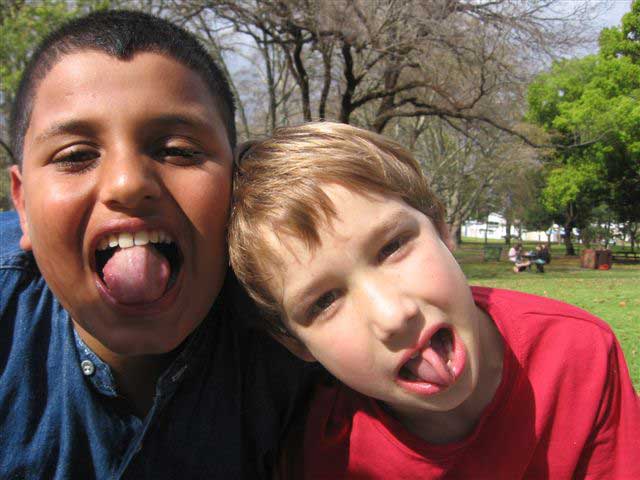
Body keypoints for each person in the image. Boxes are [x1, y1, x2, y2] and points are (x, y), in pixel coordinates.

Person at [228, 122, 640, 479]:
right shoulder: (319, 453)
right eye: (324, 301)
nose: (392, 315)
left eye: (391, 247)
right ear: (295, 342)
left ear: (441, 228)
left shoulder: (578, 354)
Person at [0, 11, 312, 479]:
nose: (128, 183)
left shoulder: (307, 342)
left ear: (238, 185)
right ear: (22, 204)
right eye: (76, 155)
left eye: (178, 151)